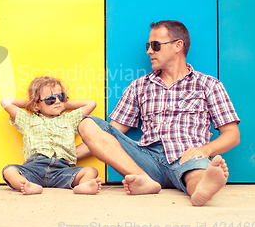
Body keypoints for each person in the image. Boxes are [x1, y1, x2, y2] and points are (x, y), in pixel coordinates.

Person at [77, 20, 240, 206]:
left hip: (187, 155)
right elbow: (108, 134)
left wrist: (204, 150)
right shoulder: (139, 86)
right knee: (88, 124)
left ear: (178, 45)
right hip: (145, 161)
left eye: (155, 45)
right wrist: (65, 156)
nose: (149, 51)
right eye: (148, 46)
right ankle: (144, 180)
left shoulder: (209, 85)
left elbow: (233, 135)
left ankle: (201, 190)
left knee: (198, 173)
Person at [1, 76, 102, 195]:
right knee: (9, 170)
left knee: (90, 171)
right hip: (35, 167)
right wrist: (31, 105)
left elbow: (91, 104)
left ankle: (83, 186)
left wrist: (64, 105)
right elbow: (5, 102)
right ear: (37, 104)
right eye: (50, 99)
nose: (58, 101)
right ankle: (26, 184)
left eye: (61, 97)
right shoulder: (28, 119)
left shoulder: (69, 119)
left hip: (62, 169)